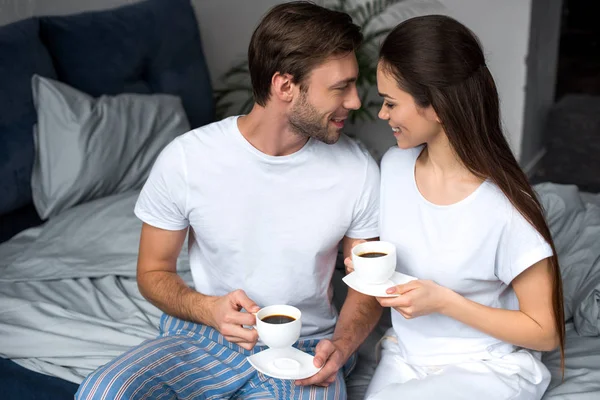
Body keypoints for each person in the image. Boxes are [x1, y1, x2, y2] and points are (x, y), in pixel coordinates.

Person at [75, 2, 382, 399]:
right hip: (204, 335)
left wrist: (342, 346)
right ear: (285, 86)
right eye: (340, 87)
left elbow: (368, 285)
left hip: (305, 349)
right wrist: (208, 309)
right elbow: (152, 273)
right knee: (103, 391)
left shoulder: (357, 170)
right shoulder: (187, 160)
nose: (356, 101)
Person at [345, 15, 565, 399]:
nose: (381, 114)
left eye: (391, 103)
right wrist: (370, 272)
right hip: (406, 357)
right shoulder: (394, 168)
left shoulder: (505, 206)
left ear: (439, 107)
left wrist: (446, 303)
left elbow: (545, 331)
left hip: (485, 365)